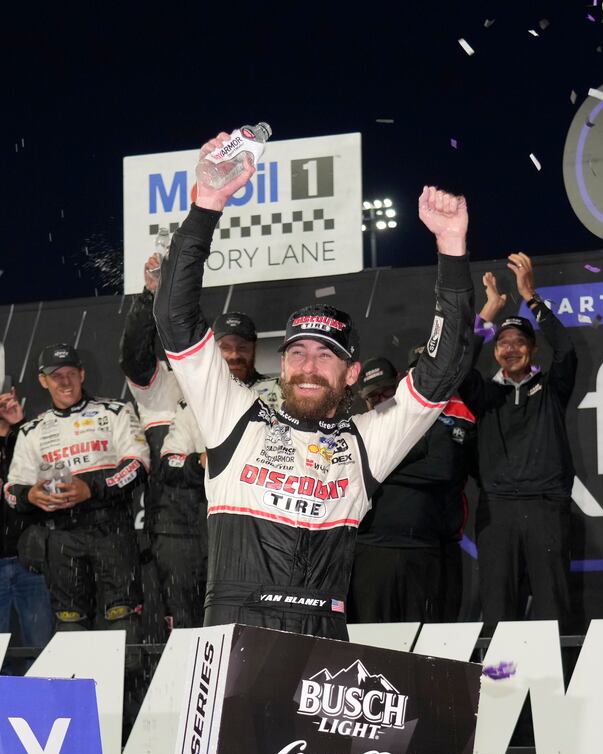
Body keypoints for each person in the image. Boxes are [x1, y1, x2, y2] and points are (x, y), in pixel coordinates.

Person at [153, 131, 476, 639]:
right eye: (297, 352)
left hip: (323, 639)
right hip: (233, 633)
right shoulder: (233, 415)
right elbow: (175, 320)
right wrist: (208, 204)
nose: (308, 365)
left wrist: (451, 247)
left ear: (351, 374)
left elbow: (445, 367)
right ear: (280, 367)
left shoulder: (367, 440)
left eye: (326, 356)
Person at [121, 255, 278, 628]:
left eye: (243, 346)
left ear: (255, 349)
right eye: (225, 346)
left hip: (250, 527)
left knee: (246, 625)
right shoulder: (171, 382)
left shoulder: (273, 392)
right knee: (184, 628)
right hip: (180, 530)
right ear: (210, 347)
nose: (235, 354)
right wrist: (150, 295)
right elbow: (134, 358)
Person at [461, 255, 580, 629]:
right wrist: (488, 312)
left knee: (553, 609)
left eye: (519, 342)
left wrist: (530, 297)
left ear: (533, 349)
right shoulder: (483, 395)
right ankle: (501, 686)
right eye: (503, 343)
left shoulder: (551, 390)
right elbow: (459, 364)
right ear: (495, 351)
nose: (510, 348)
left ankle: (556, 687)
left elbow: (567, 350)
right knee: (497, 609)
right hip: (497, 511)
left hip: (547, 507)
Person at [5, 344, 148, 636]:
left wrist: (92, 489)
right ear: (43, 381)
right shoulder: (31, 430)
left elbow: (138, 466)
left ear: (82, 374)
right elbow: (11, 489)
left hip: (112, 531)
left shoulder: (115, 412)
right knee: (70, 625)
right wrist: (30, 496)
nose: (65, 381)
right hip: (61, 537)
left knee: (123, 623)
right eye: (56, 375)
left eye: (71, 373)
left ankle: (128, 681)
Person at [347, 354, 477, 623]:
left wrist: (378, 470)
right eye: (374, 397)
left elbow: (441, 469)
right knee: (368, 642)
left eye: (387, 392)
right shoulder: (361, 427)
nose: (382, 401)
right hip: (369, 550)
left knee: (420, 642)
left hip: (422, 549)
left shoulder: (429, 418)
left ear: (401, 385)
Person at [0, 387, 53, 650]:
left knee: (40, 649)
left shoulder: (31, 436)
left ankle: (43, 693)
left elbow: (46, 480)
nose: (1, 403)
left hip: (30, 562)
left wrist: (17, 426)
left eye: (6, 396)